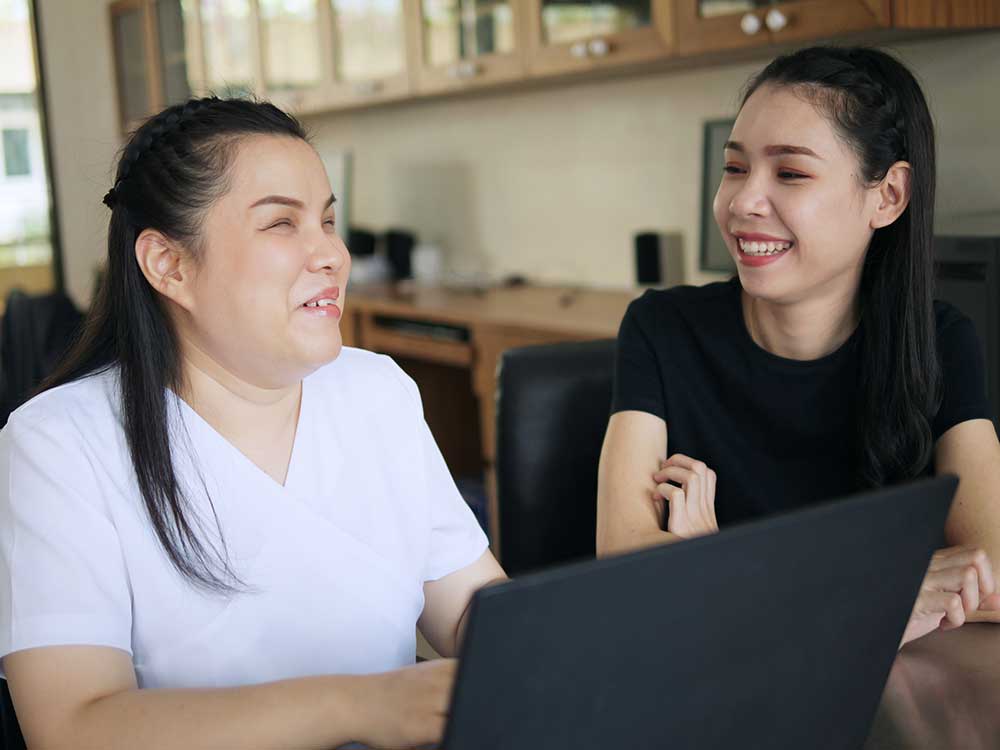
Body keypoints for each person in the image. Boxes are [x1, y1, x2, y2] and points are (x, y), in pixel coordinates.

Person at [0, 97, 506, 749]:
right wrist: (356, 705)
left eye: (328, 221)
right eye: (280, 225)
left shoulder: (377, 392)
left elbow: (477, 615)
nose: (331, 255)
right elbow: (73, 727)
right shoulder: (59, 445)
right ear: (168, 265)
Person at [597, 46, 1000, 647]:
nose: (742, 203)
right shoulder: (662, 327)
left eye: (790, 173)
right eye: (735, 168)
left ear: (887, 196)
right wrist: (882, 592)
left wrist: (718, 562)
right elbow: (626, 560)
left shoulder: (940, 342)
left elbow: (989, 575)